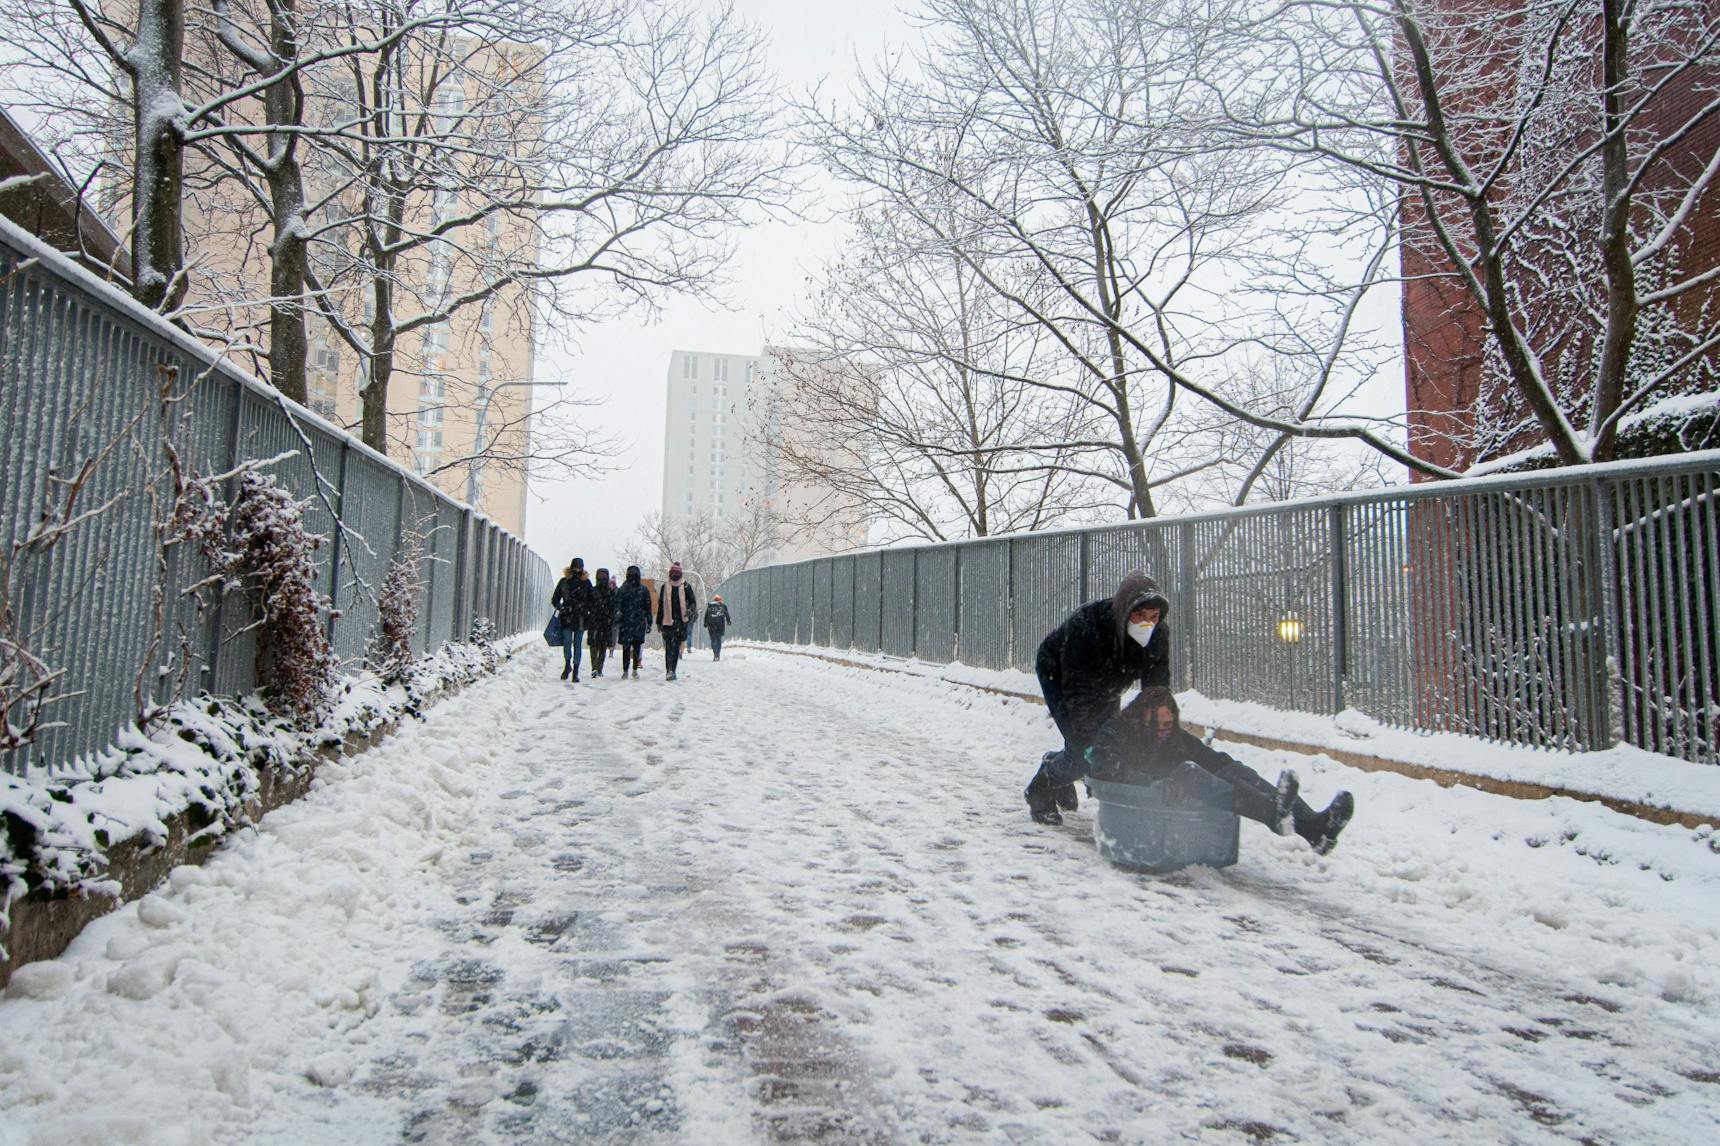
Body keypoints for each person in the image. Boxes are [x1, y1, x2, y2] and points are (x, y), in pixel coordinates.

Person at [1086, 688, 1355, 855]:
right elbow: (1105, 768)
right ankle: (1273, 814)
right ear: (1138, 719)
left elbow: (1212, 761)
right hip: (1136, 804)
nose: (1161, 731)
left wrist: (1234, 770)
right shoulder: (1117, 731)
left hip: (1174, 791)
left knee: (1230, 770)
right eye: (1154, 724)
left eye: (1167, 724)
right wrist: (1153, 782)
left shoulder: (1175, 738)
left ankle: (1315, 829)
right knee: (1190, 773)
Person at [1025, 570, 1172, 824]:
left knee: (1104, 744)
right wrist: (1085, 742)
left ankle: (1058, 762)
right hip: (1060, 675)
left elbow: (1156, 690)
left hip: (1109, 684)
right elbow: (1077, 690)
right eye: (1139, 615)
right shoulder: (1088, 625)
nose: (1146, 623)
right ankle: (1041, 786)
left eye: (1153, 617)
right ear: (1125, 610)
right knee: (1085, 751)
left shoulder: (1157, 636)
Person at [550, 558, 595, 681]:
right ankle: (569, 665)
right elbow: (555, 599)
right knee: (569, 643)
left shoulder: (581, 583)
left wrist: (585, 609)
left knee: (575, 644)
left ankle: (574, 669)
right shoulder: (568, 582)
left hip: (577, 617)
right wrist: (562, 607)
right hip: (570, 616)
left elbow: (592, 600)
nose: (577, 570)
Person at [655, 560, 697, 680]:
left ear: (680, 574)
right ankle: (669, 670)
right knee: (669, 647)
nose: (675, 575)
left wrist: (690, 610)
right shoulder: (665, 586)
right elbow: (661, 605)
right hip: (668, 622)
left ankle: (673, 669)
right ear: (670, 573)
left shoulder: (686, 586)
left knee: (676, 647)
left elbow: (693, 601)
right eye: (673, 572)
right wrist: (659, 622)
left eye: (677, 573)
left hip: (681, 621)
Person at [615, 565, 652, 679]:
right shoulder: (642, 590)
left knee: (629, 648)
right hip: (635, 622)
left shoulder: (623, 589)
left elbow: (647, 607)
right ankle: (631, 669)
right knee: (634, 647)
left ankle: (629, 669)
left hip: (630, 622)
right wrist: (649, 621)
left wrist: (618, 615)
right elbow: (648, 607)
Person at [587, 568, 617, 678]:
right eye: (600, 576)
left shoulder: (609, 592)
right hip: (595, 621)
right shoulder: (593, 591)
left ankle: (599, 668)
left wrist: (611, 618)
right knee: (594, 646)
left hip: (604, 622)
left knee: (602, 646)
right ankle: (595, 668)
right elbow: (588, 604)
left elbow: (613, 607)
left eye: (604, 576)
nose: (602, 578)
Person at [703, 594, 732, 660]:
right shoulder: (723, 606)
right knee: (718, 640)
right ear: (720, 600)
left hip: (711, 625)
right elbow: (727, 614)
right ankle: (718, 654)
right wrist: (728, 621)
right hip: (720, 625)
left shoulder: (710, 606)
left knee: (713, 639)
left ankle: (715, 653)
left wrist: (705, 623)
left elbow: (706, 615)